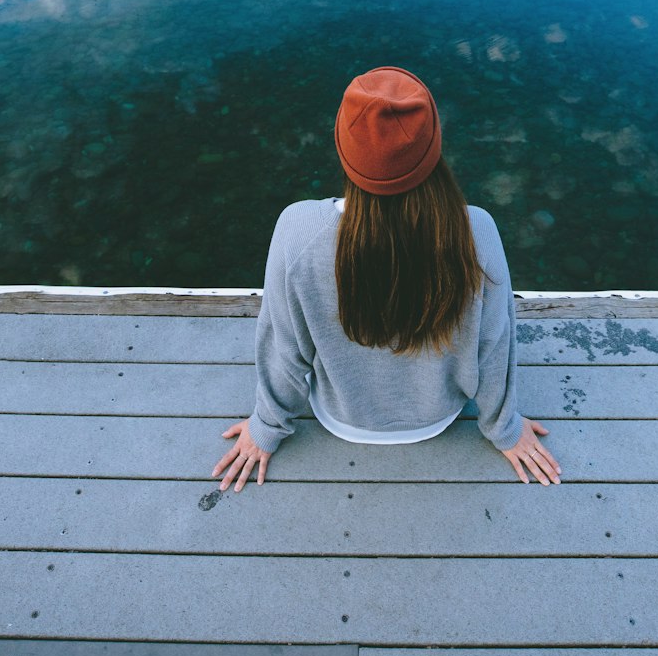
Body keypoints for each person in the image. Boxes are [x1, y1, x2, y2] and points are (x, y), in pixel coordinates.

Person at [212, 64, 562, 493]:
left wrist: (266, 426)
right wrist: (504, 428)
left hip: (341, 418)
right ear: (433, 147)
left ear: (344, 149)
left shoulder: (297, 231)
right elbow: (493, 347)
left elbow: (283, 348)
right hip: (440, 417)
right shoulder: (477, 232)